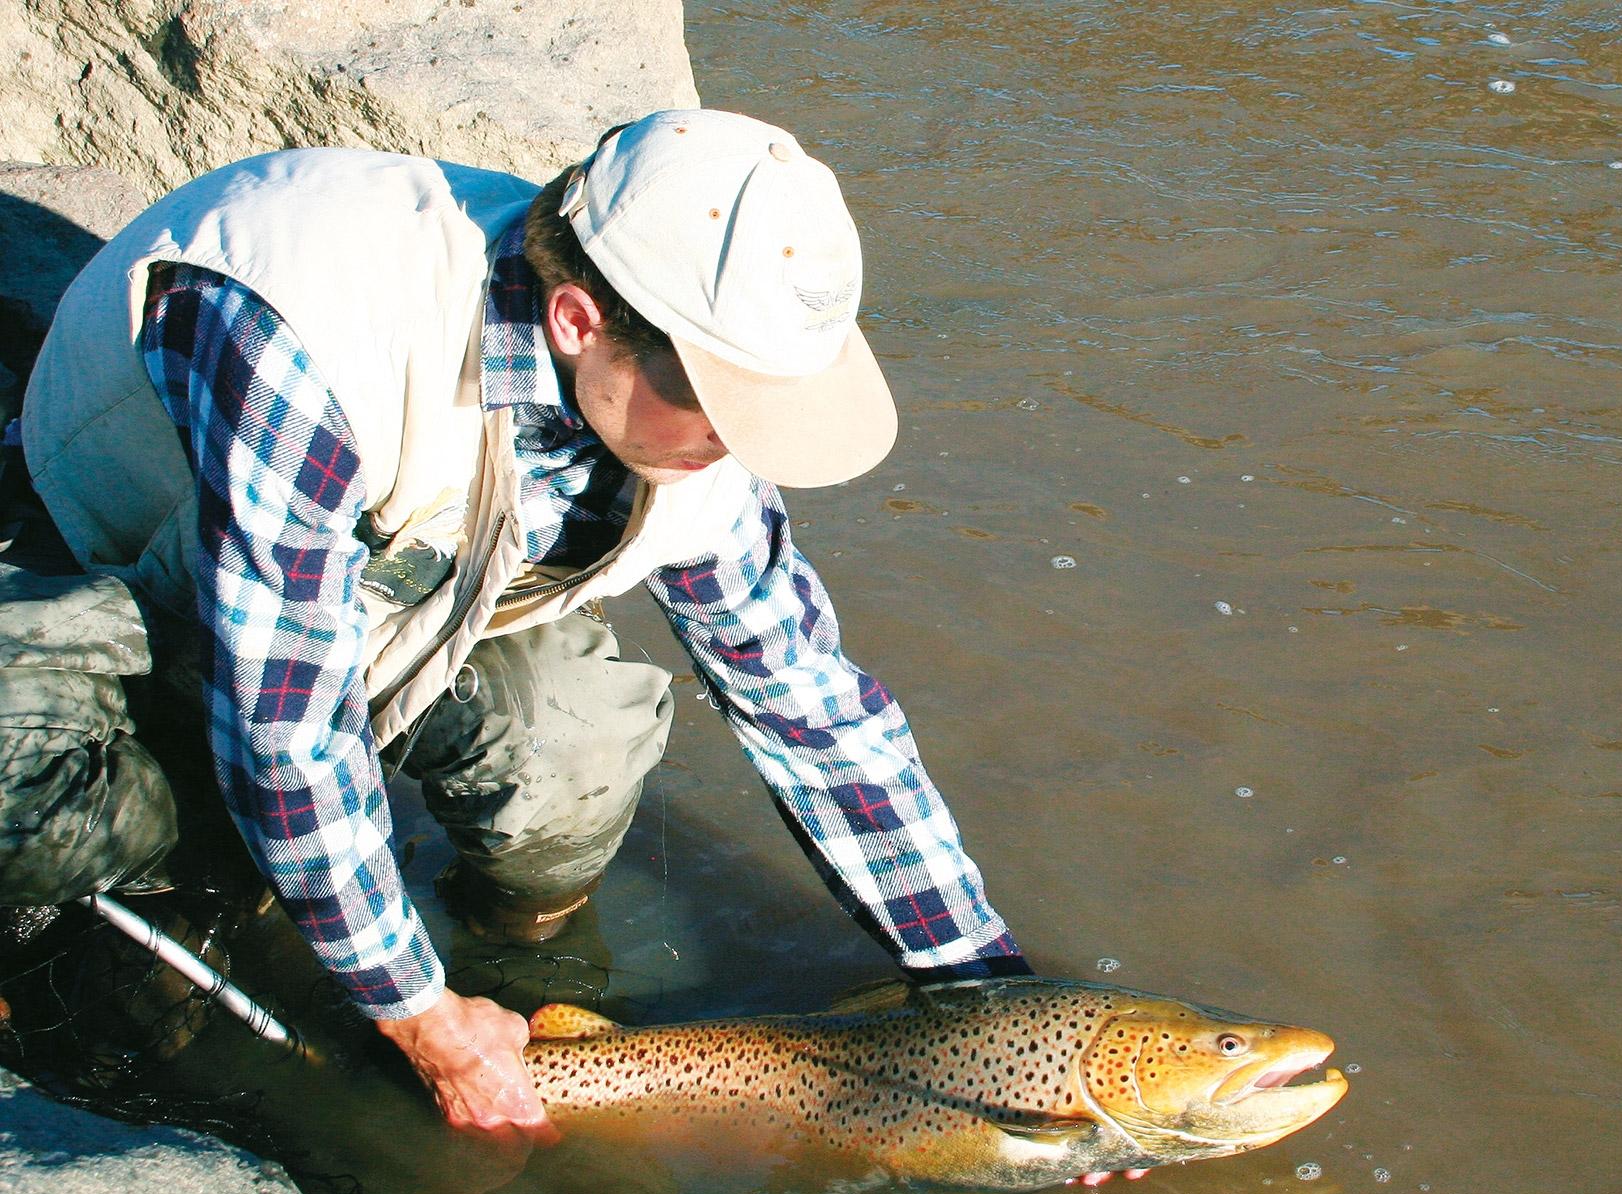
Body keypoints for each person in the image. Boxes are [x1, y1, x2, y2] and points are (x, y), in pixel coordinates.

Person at [0, 108, 1036, 1139]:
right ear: (580, 321)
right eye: (729, 406)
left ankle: (473, 945)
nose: (742, 446)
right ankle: (220, 870)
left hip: (385, 597)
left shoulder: (683, 416)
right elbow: (286, 728)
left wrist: (989, 998)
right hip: (108, 563)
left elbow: (812, 713)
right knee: (37, 796)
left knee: (577, 749)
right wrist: (418, 1013)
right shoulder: (309, 329)